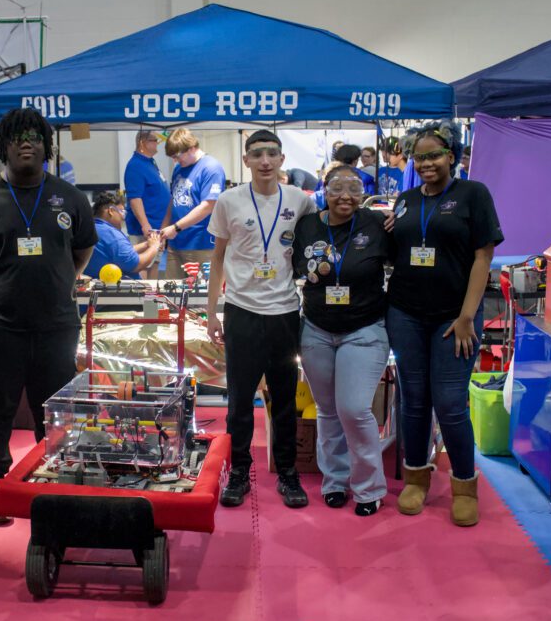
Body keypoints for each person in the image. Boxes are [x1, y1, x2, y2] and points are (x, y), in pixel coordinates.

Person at [0, 107, 97, 523]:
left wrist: (60, 282)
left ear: (47, 145)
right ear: (3, 147)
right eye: (17, 137)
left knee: (54, 408)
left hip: (55, 325)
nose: (27, 142)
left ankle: (53, 476)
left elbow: (83, 248)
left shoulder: (69, 198)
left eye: (35, 136)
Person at [386, 121, 503, 527]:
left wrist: (468, 315)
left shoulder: (473, 194)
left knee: (451, 403)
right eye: (419, 157)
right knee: (413, 400)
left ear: (452, 156)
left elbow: (483, 258)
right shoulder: (404, 201)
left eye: (435, 155)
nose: (427, 163)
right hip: (405, 313)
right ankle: (416, 478)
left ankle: (465, 485)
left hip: (456, 319)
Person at [207, 129, 318, 509]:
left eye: (272, 153)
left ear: (282, 159)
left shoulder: (300, 202)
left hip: (285, 312)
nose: (266, 161)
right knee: (239, 400)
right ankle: (239, 471)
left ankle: (288, 473)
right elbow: (218, 258)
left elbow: (321, 238)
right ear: (247, 160)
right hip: (242, 311)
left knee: (285, 398)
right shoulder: (228, 201)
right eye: (257, 154)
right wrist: (212, 312)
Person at [292, 164, 391, 516]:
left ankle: (368, 487)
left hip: (364, 329)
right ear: (324, 190)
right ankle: (334, 480)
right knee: (328, 410)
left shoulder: (378, 225)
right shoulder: (308, 226)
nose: (345, 196)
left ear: (363, 193)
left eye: (353, 188)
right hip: (316, 328)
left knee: (354, 409)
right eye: (336, 188)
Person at [160, 128, 225, 278]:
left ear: (192, 148)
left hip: (200, 244)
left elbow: (207, 206)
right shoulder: (179, 168)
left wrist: (176, 228)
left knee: (200, 296)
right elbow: (173, 200)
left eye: (177, 156)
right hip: (176, 243)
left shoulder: (211, 168)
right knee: (172, 294)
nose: (175, 161)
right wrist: (164, 228)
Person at [84, 191, 163, 280]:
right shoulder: (111, 235)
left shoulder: (92, 229)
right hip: (121, 290)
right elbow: (137, 265)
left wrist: (147, 244)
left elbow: (118, 252)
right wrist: (154, 247)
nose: (123, 217)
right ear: (111, 211)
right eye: (122, 212)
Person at [123, 130, 170, 279]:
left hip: (157, 227)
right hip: (146, 229)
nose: (157, 143)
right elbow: (135, 198)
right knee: (143, 265)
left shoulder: (150, 162)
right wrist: (145, 225)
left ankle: (152, 299)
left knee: (154, 263)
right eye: (154, 140)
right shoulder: (135, 166)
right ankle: (142, 301)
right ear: (142, 143)